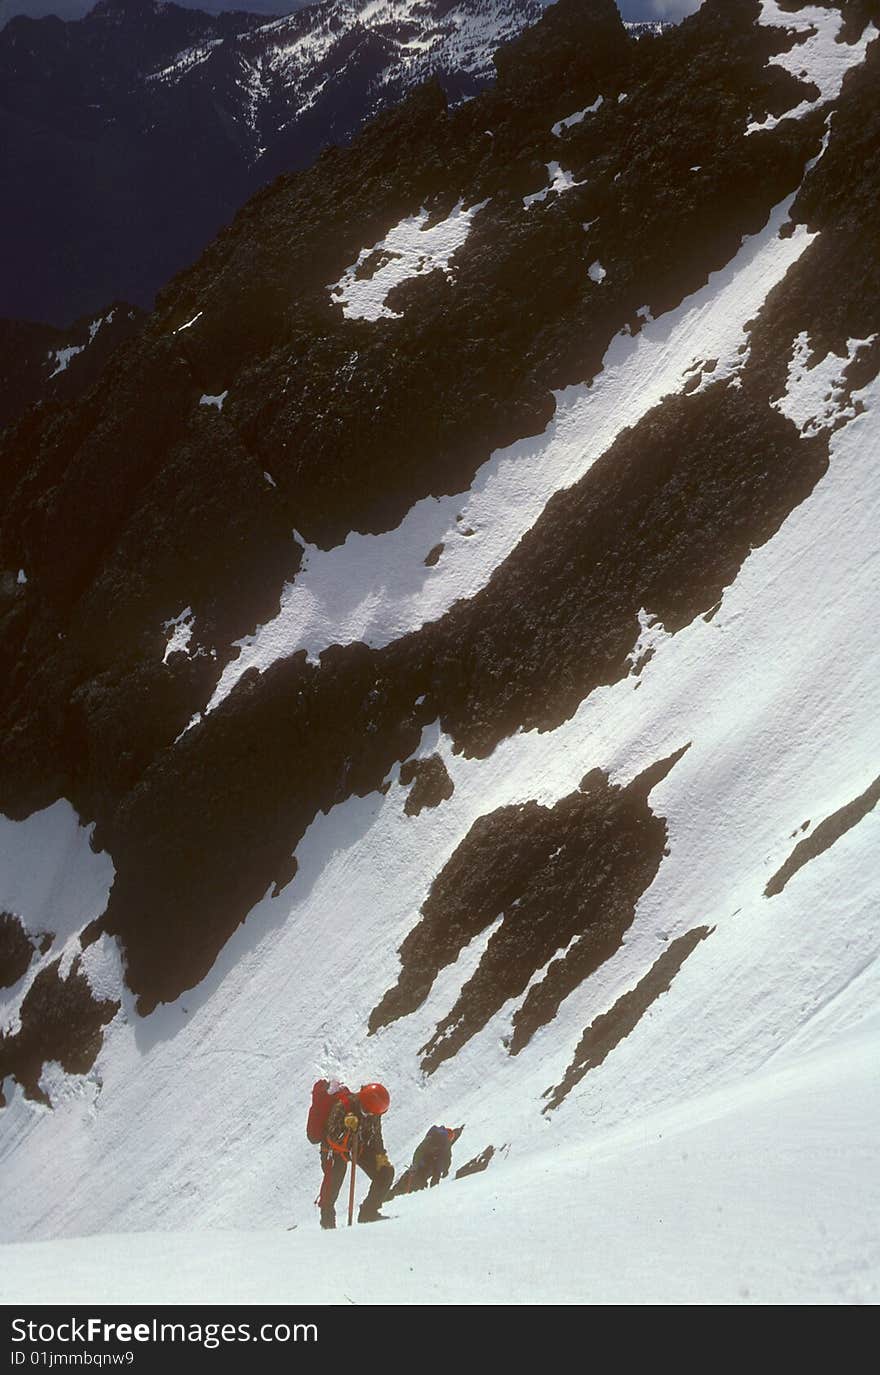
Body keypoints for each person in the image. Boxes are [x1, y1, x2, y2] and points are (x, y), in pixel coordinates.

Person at [319, 1082, 394, 1228]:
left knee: (385, 1173)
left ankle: (369, 1213)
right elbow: (332, 1137)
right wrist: (347, 1129)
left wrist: (380, 1155)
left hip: (358, 1147)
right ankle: (327, 1224)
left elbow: (376, 1134)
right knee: (332, 1187)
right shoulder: (343, 1106)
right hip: (334, 1151)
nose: (374, 1116)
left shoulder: (373, 1110)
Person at [408, 1124, 463, 1191]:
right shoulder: (446, 1142)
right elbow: (448, 1158)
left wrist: (415, 1164)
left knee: (421, 1175)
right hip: (434, 1161)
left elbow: (419, 1150)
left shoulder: (431, 1136)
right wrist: (446, 1170)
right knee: (437, 1171)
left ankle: (417, 1190)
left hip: (424, 1160)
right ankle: (433, 1190)